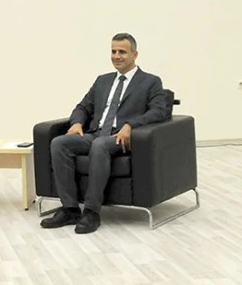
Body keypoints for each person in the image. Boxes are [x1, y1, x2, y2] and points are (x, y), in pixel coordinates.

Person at [40, 33, 167, 234]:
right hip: (95, 133)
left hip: (121, 137)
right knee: (59, 143)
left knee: (99, 145)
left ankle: (91, 211)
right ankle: (70, 209)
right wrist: (77, 123)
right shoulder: (102, 81)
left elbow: (159, 111)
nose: (117, 56)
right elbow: (83, 107)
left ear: (135, 55)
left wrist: (130, 125)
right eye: (113, 51)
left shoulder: (150, 81)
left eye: (122, 52)